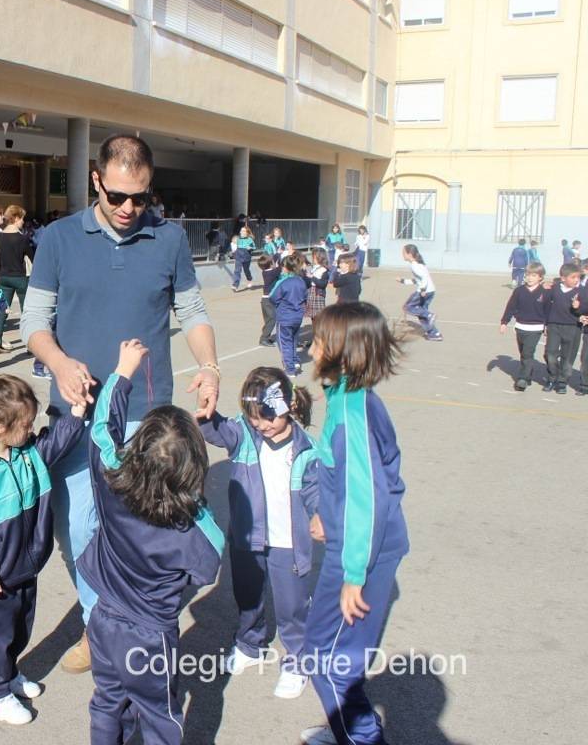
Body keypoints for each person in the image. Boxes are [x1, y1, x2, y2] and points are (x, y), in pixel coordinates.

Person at [20, 133, 219, 674]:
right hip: (79, 415)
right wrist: (60, 364)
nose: (130, 208)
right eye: (118, 196)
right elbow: (33, 322)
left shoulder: (169, 238)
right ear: (96, 183)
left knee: (152, 532)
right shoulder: (59, 239)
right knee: (81, 530)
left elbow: (193, 311)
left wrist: (209, 365)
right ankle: (100, 625)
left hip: (147, 417)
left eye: (142, 197)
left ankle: (140, 623)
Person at [77, 340, 223, 743]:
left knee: (108, 702)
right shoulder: (191, 525)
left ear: (138, 449)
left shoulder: (112, 477)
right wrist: (192, 501)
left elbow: (103, 426)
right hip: (148, 633)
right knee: (160, 714)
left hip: (103, 618)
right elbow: (208, 567)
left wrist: (123, 372)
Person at [299, 302, 409, 745]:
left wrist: (354, 576)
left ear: (343, 351)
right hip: (358, 545)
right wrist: (329, 508)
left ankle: (360, 736)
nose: (311, 349)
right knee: (331, 652)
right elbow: (352, 477)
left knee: (327, 658)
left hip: (361, 554)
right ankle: (349, 725)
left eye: (319, 341)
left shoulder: (352, 414)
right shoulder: (345, 394)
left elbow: (367, 496)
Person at [0, 373, 86, 726]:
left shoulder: (28, 453)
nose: (32, 429)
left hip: (26, 569)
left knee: (20, 629)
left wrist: (76, 414)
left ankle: (10, 674)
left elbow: (56, 443)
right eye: (26, 424)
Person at [199, 366, 320, 701]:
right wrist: (206, 410)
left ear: (288, 410)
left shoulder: (307, 450)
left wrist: (321, 514)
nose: (262, 426)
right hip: (248, 538)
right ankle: (250, 644)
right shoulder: (244, 435)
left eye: (268, 419)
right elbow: (216, 430)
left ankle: (298, 661)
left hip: (288, 543)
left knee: (291, 606)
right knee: (248, 596)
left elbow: (315, 491)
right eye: (254, 419)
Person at [0, 205, 45, 376]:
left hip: (3, 276)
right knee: (27, 312)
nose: (23, 221)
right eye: (22, 218)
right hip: (20, 277)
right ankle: (30, 344)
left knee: (2, 310)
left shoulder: (0, 236)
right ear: (16, 218)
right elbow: (32, 256)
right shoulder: (22, 239)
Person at [499, 263, 550, 392]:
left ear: (540, 277)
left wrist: (547, 326)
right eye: (528, 275)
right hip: (521, 327)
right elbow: (510, 306)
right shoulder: (519, 291)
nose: (530, 278)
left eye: (533, 275)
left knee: (528, 352)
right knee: (523, 353)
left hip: (535, 328)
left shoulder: (544, 292)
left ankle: (522, 379)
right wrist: (504, 322)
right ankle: (528, 373)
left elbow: (548, 310)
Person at [542, 262, 585, 394]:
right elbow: (545, 305)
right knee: (550, 354)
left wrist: (578, 308)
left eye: (578, 277)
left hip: (573, 328)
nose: (576, 280)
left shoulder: (581, 291)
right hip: (554, 326)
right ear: (563, 278)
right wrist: (545, 323)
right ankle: (552, 377)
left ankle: (562, 381)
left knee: (568, 357)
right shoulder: (553, 289)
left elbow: (585, 309)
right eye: (573, 277)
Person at [270, 253, 308, 376]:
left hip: (285, 317)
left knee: (284, 342)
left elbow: (273, 297)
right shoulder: (301, 281)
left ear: (286, 268)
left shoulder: (284, 282)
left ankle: (290, 369)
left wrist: (280, 303)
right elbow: (305, 296)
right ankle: (295, 360)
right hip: (297, 316)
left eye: (283, 267)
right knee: (293, 339)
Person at [398, 244, 443, 342]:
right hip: (431, 291)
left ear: (409, 254)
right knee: (421, 313)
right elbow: (417, 280)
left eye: (403, 253)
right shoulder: (419, 264)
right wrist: (403, 281)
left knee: (407, 307)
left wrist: (422, 290)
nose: (402, 255)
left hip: (424, 292)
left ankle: (429, 315)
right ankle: (435, 334)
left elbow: (424, 278)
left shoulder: (414, 265)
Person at [256, 253, 280, 348]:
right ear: (271, 264)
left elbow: (273, 261)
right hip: (269, 300)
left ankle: (266, 336)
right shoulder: (273, 272)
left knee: (268, 320)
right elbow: (281, 267)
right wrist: (279, 255)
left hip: (265, 299)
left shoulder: (265, 271)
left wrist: (275, 256)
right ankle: (263, 339)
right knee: (272, 319)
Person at [305, 248, 330, 320]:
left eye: (314, 257)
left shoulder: (324, 270)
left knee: (318, 316)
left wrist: (312, 277)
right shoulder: (315, 267)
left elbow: (323, 284)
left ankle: (319, 330)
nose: (313, 258)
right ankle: (315, 330)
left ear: (320, 257)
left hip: (317, 294)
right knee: (313, 316)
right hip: (311, 292)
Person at [232, 225, 256, 291]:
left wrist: (250, 248)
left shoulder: (250, 240)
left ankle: (249, 279)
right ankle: (235, 285)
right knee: (237, 270)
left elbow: (254, 247)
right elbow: (235, 246)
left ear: (247, 233)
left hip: (246, 257)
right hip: (239, 256)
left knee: (246, 270)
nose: (241, 232)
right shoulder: (238, 239)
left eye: (243, 231)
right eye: (241, 231)